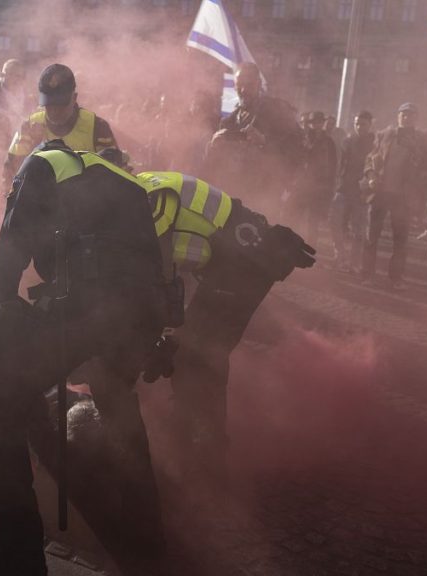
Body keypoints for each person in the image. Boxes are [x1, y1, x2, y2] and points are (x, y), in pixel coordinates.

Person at [0, 140, 169, 575]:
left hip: (88, 310)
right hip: (141, 316)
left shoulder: (39, 165)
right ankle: (147, 539)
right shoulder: (123, 177)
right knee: (118, 403)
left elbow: (10, 253)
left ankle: (16, 553)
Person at [129, 164, 315, 470]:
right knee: (189, 349)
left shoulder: (149, 204)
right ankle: (195, 432)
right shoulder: (141, 186)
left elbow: (162, 280)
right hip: (234, 259)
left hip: (245, 266)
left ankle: (207, 448)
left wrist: (162, 335)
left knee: (200, 354)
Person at [204, 62, 304, 216]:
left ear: (258, 84)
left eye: (249, 85)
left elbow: (297, 152)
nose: (244, 90)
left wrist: (264, 141)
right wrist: (213, 146)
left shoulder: (277, 112)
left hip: (264, 199)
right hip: (231, 197)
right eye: (239, 85)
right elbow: (213, 167)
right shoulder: (229, 122)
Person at [2, 64, 118, 185]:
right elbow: (11, 174)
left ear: (74, 98)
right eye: (49, 105)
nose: (54, 112)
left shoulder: (97, 127)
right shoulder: (29, 126)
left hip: (86, 195)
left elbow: (115, 176)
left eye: (61, 105)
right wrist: (34, 147)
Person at [361, 102, 427, 290]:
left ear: (416, 118)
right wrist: (371, 176)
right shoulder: (385, 135)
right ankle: (367, 275)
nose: (406, 118)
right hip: (380, 193)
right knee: (371, 236)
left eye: (411, 115)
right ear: (398, 116)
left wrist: (416, 151)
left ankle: (396, 278)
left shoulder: (422, 140)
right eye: (403, 114)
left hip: (403, 197)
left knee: (400, 240)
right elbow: (370, 159)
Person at [331, 111, 375, 272]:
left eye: (363, 124)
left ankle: (354, 262)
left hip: (362, 192)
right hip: (343, 188)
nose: (359, 127)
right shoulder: (347, 141)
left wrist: (369, 187)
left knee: (359, 230)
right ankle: (340, 255)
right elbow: (340, 165)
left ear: (370, 125)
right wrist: (337, 183)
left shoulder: (375, 143)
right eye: (356, 123)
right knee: (336, 223)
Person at [289, 110, 337, 247]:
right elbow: (295, 159)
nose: (317, 125)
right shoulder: (303, 139)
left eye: (319, 122)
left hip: (319, 185)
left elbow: (333, 165)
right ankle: (293, 245)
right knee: (296, 217)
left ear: (323, 123)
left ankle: (310, 247)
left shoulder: (328, 142)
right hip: (302, 184)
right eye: (314, 122)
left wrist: (329, 186)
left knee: (313, 221)